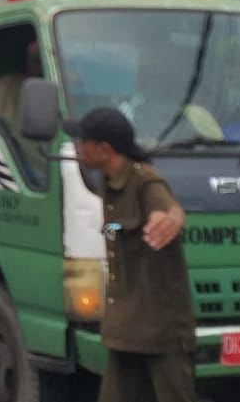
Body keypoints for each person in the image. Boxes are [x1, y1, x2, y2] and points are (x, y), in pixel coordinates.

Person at [67, 107, 194, 402]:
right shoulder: (109, 185)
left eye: (83, 141)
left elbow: (171, 209)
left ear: (104, 149)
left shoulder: (145, 181)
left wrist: (172, 220)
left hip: (161, 331)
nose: (77, 147)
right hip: (127, 329)